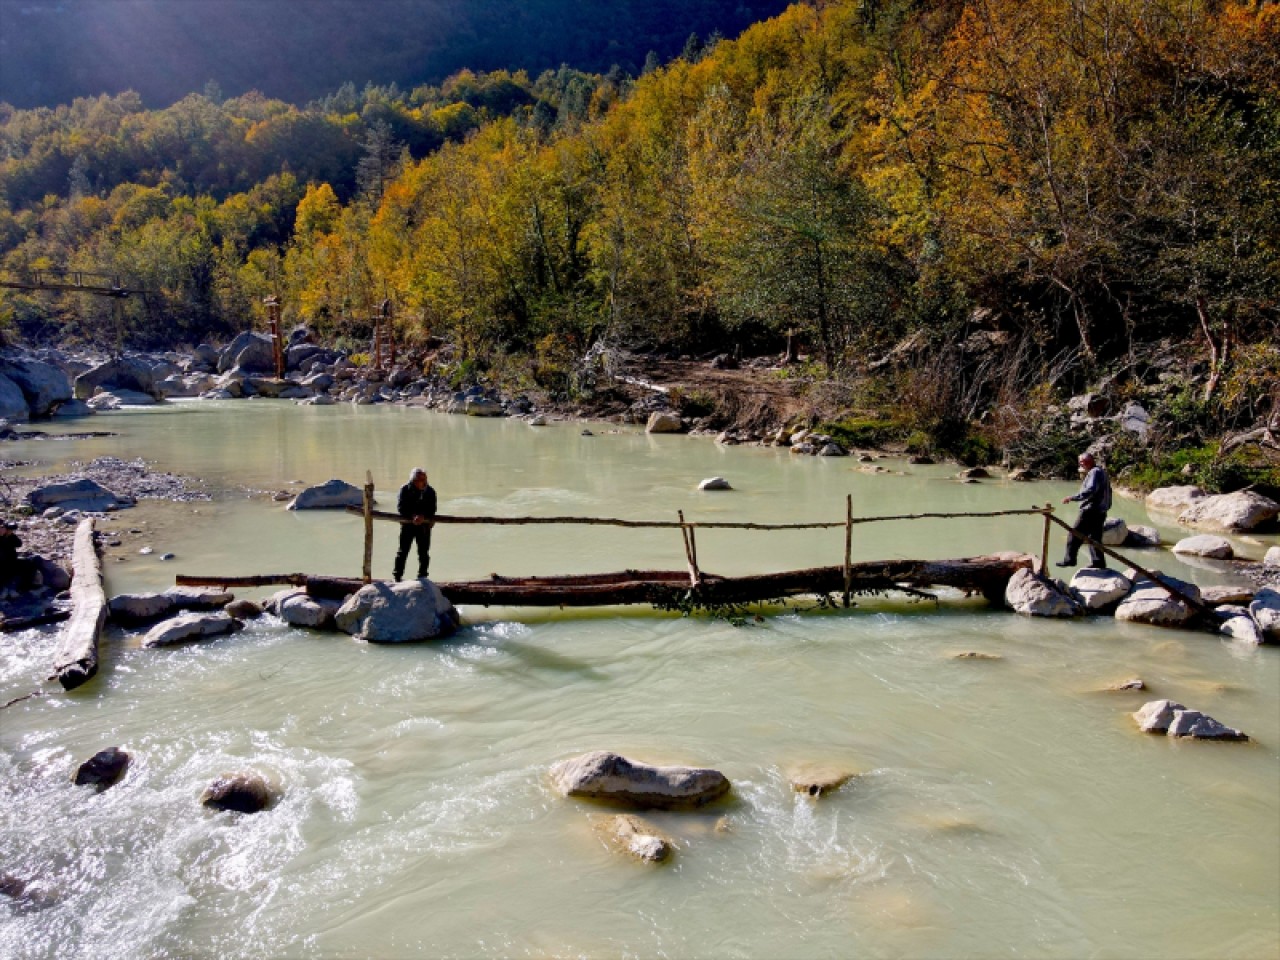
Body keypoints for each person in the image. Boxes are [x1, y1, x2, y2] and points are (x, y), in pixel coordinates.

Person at [1058, 452, 1112, 569]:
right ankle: (1098, 562)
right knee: (1095, 538)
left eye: (1081, 462)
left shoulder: (1094, 472)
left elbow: (1090, 490)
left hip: (1091, 510)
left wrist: (1072, 497)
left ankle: (1070, 559)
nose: (1080, 464)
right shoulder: (1100, 471)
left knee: (1074, 534)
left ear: (1088, 461)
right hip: (1100, 511)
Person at [393, 467, 436, 581]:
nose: (421, 482)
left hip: (424, 527)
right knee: (403, 551)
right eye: (418, 480)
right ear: (413, 480)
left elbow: (432, 509)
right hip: (408, 525)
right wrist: (413, 516)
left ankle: (422, 576)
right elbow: (401, 507)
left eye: (423, 479)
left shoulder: (430, 492)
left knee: (423, 552)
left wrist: (423, 516)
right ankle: (397, 576)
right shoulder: (405, 489)